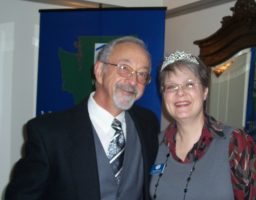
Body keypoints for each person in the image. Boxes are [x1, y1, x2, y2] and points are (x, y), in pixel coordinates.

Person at [5, 36, 160, 200]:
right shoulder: (48, 133)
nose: (133, 81)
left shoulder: (148, 123)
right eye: (124, 68)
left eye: (142, 74)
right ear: (99, 72)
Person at [149, 51, 256, 200]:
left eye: (189, 84)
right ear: (163, 95)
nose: (180, 93)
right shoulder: (155, 143)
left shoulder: (235, 142)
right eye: (171, 87)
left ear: (205, 92)